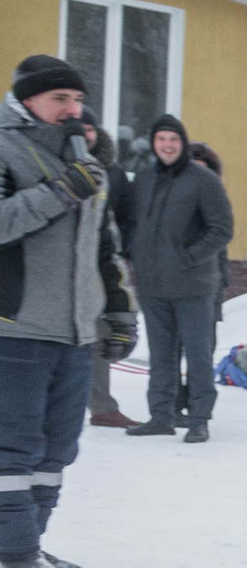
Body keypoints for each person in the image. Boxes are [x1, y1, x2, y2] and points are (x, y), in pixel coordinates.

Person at [0, 55, 138, 568]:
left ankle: (24, 539)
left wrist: (119, 311)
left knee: (57, 451)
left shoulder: (87, 161)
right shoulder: (6, 148)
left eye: (77, 100)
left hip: (75, 331)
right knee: (13, 448)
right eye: (60, 99)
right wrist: (60, 191)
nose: (73, 110)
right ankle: (15, 552)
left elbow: (105, 245)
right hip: (16, 326)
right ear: (28, 100)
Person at [121, 113, 233, 443]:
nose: (167, 145)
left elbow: (222, 229)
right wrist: (133, 252)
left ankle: (199, 418)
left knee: (198, 355)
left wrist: (189, 257)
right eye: (161, 139)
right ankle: (161, 416)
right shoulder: (142, 178)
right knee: (161, 355)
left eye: (173, 139)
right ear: (153, 144)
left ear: (182, 144)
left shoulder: (203, 180)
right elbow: (131, 221)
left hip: (193, 285)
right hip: (152, 285)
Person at [76, 117, 141, 429]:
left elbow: (126, 214)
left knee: (100, 334)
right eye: (80, 128)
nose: (85, 133)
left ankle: (102, 406)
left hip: (99, 263)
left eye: (89, 128)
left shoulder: (112, 172)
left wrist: (121, 249)